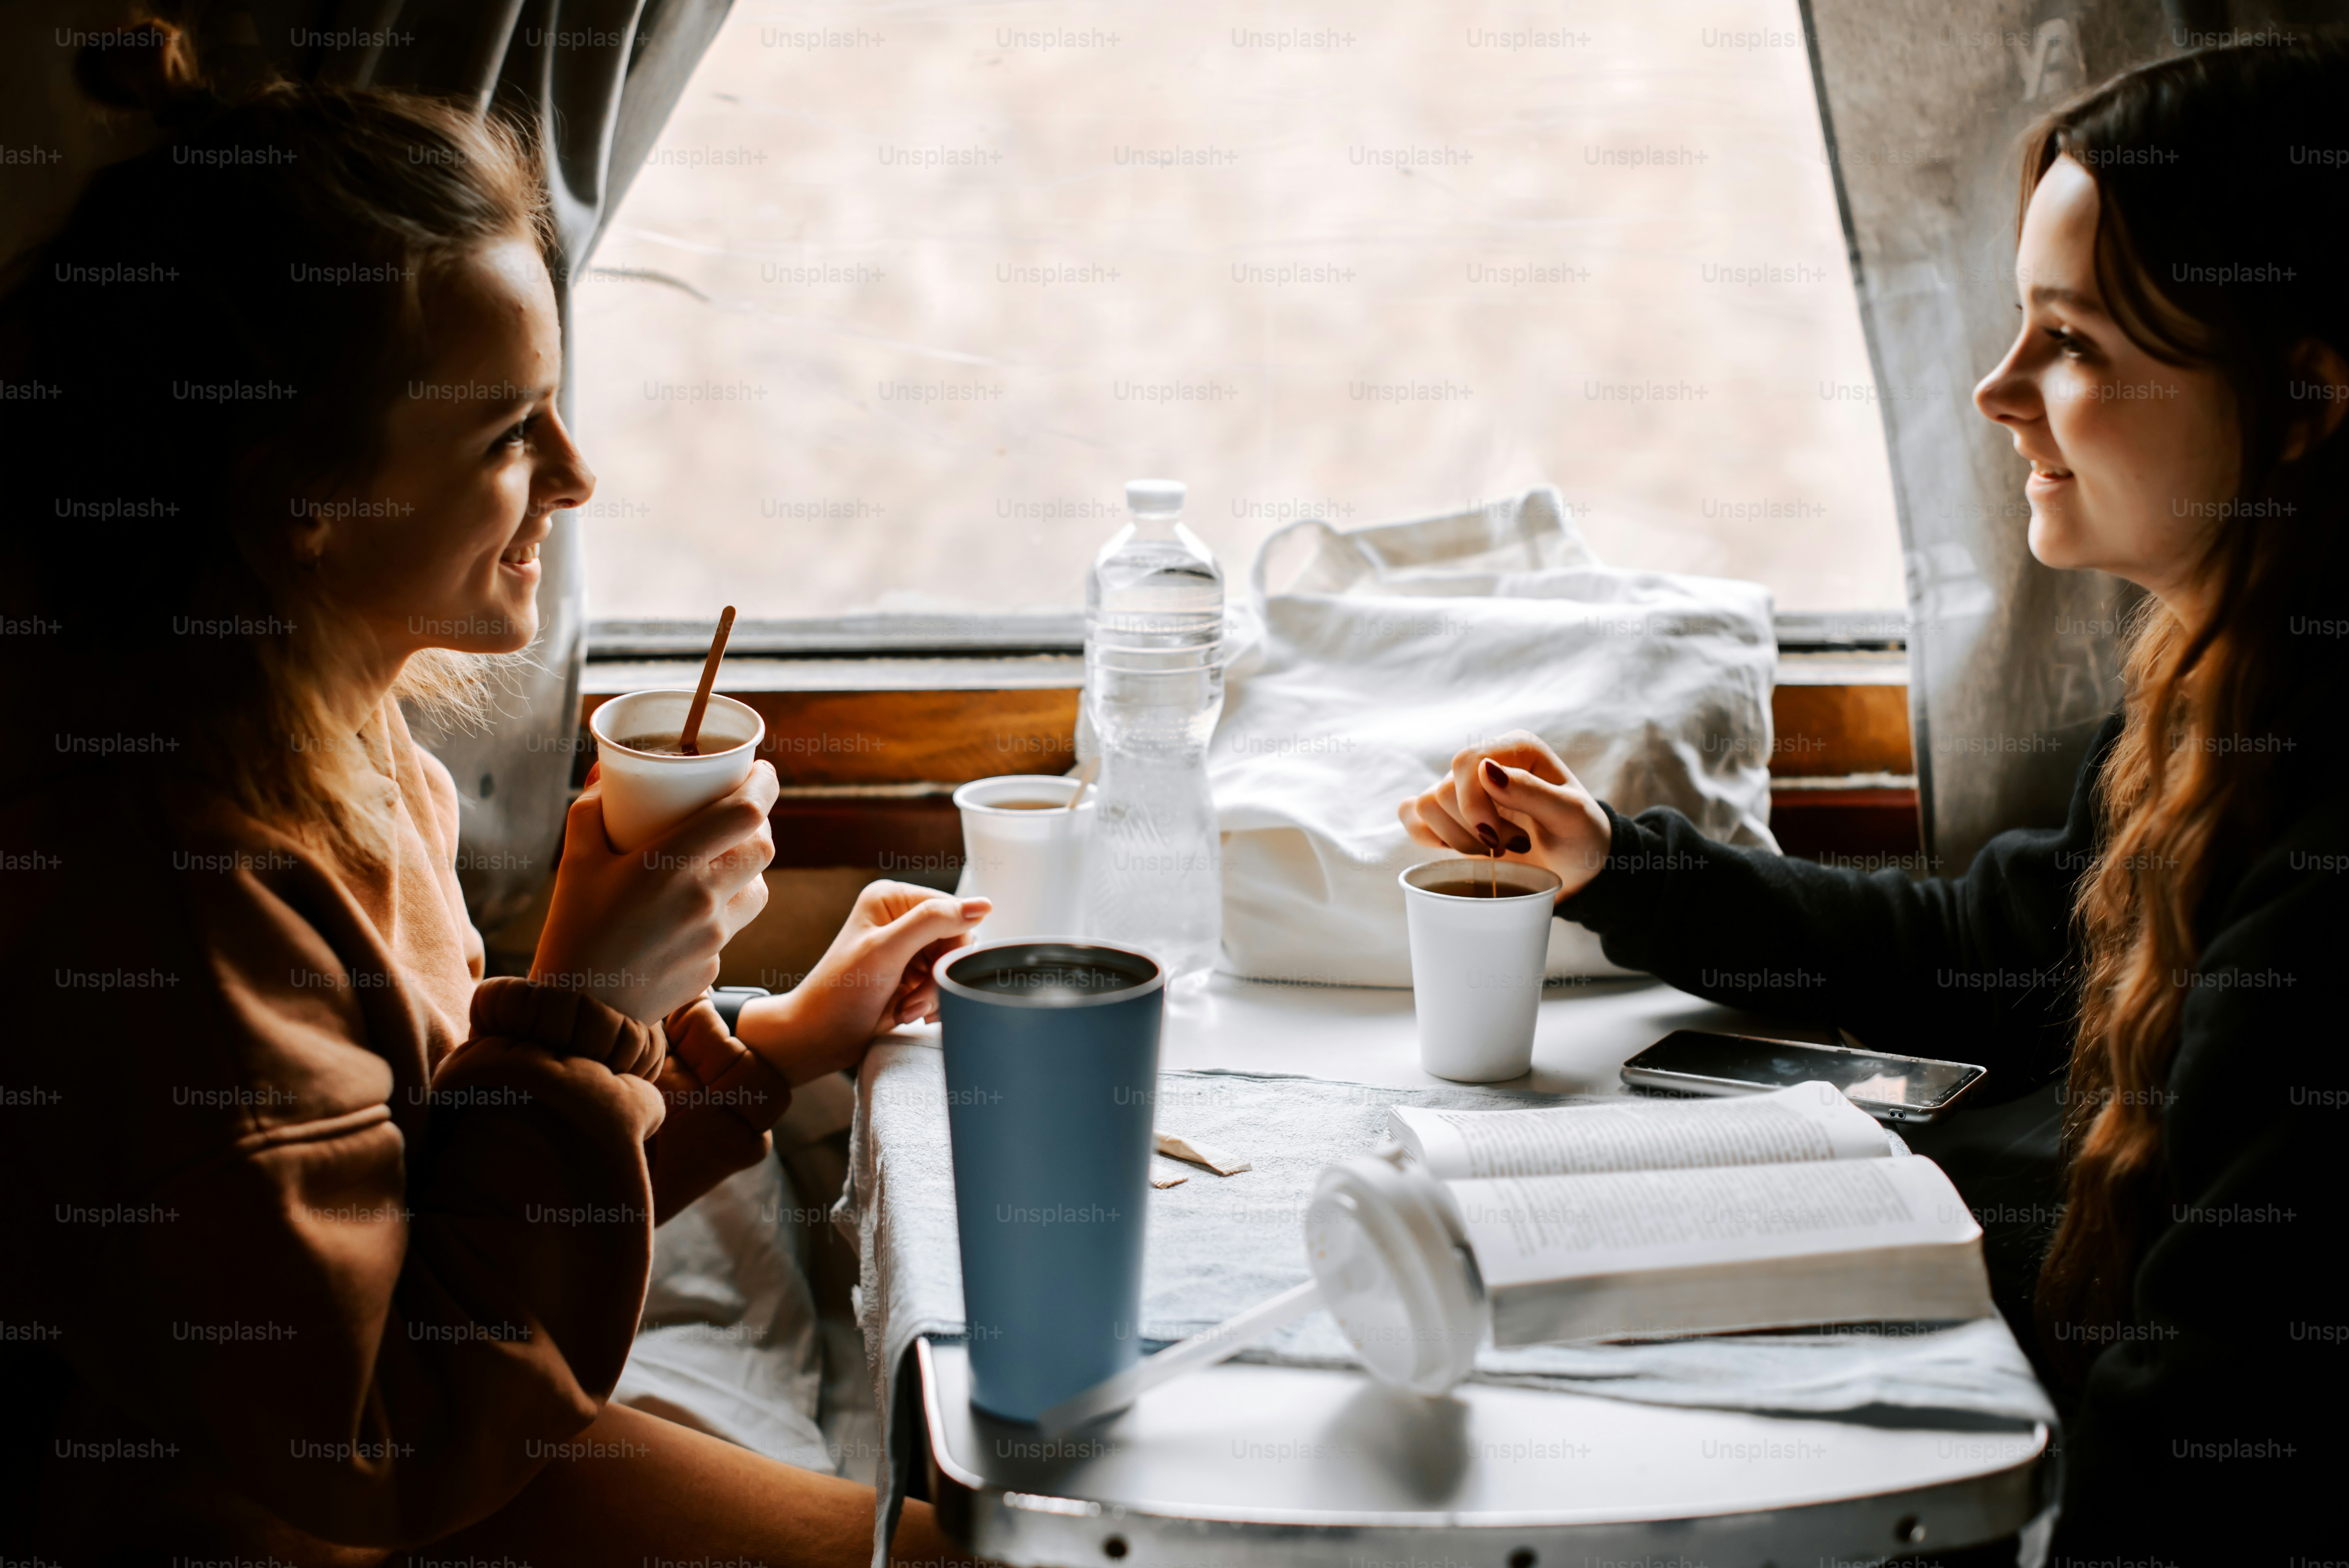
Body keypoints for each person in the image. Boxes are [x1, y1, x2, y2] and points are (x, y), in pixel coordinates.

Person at [0, 23, 984, 1567]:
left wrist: (774, 1049)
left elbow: (454, 1213)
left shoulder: (354, 750)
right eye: (509, 430)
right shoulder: (172, 894)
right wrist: (580, 1011)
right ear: (302, 497)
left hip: (437, 1448)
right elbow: (376, 1432)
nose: (575, 475)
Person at [1402, 36, 2349, 1559]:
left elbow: (2201, 1453)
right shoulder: (2220, 695)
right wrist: (1615, 864)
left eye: (2072, 341)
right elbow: (1981, 948)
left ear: (2299, 396)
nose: (1995, 390)